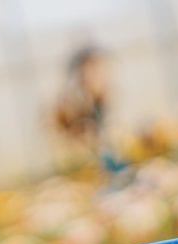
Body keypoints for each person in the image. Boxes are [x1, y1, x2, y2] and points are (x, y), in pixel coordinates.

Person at [53, 45, 127, 174]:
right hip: (81, 169)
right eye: (93, 69)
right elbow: (75, 145)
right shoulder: (74, 104)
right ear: (81, 73)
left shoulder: (100, 101)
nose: (101, 75)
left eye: (100, 68)